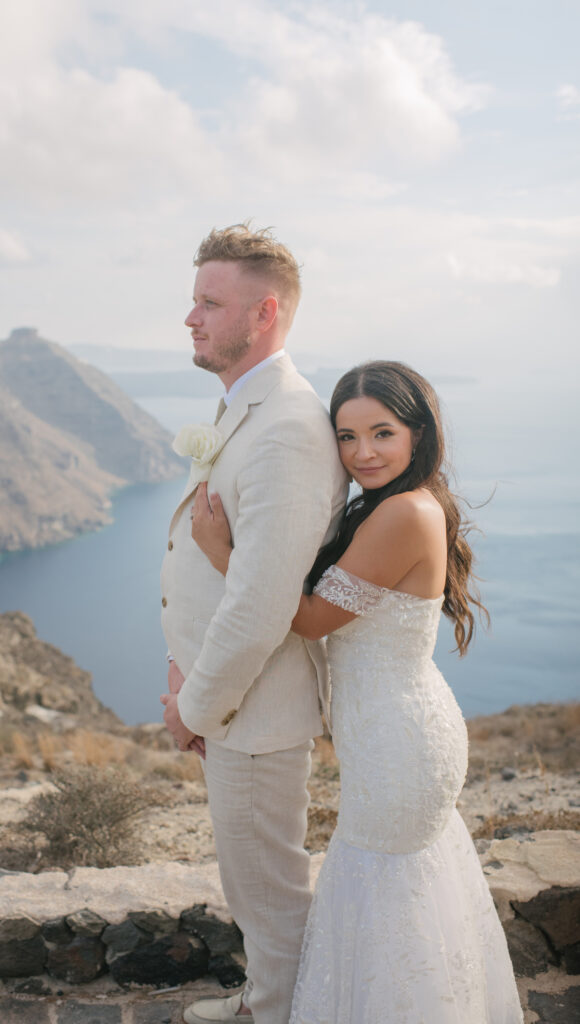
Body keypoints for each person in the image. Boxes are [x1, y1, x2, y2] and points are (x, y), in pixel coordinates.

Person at [191, 360, 523, 1023]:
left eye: (382, 433)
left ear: (418, 433)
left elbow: (312, 619)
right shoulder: (394, 505)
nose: (362, 452)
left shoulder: (402, 513)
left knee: (385, 892)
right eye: (346, 437)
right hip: (394, 734)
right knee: (405, 893)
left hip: (400, 742)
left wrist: (222, 552)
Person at [160, 223, 349, 1024]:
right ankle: (266, 998)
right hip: (229, 701)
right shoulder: (247, 407)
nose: (190, 317)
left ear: (264, 313)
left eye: (210, 302)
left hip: (251, 713)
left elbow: (263, 606)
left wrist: (194, 706)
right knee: (251, 883)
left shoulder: (288, 432)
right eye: (194, 299)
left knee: (270, 892)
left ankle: (277, 1013)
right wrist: (180, 663)